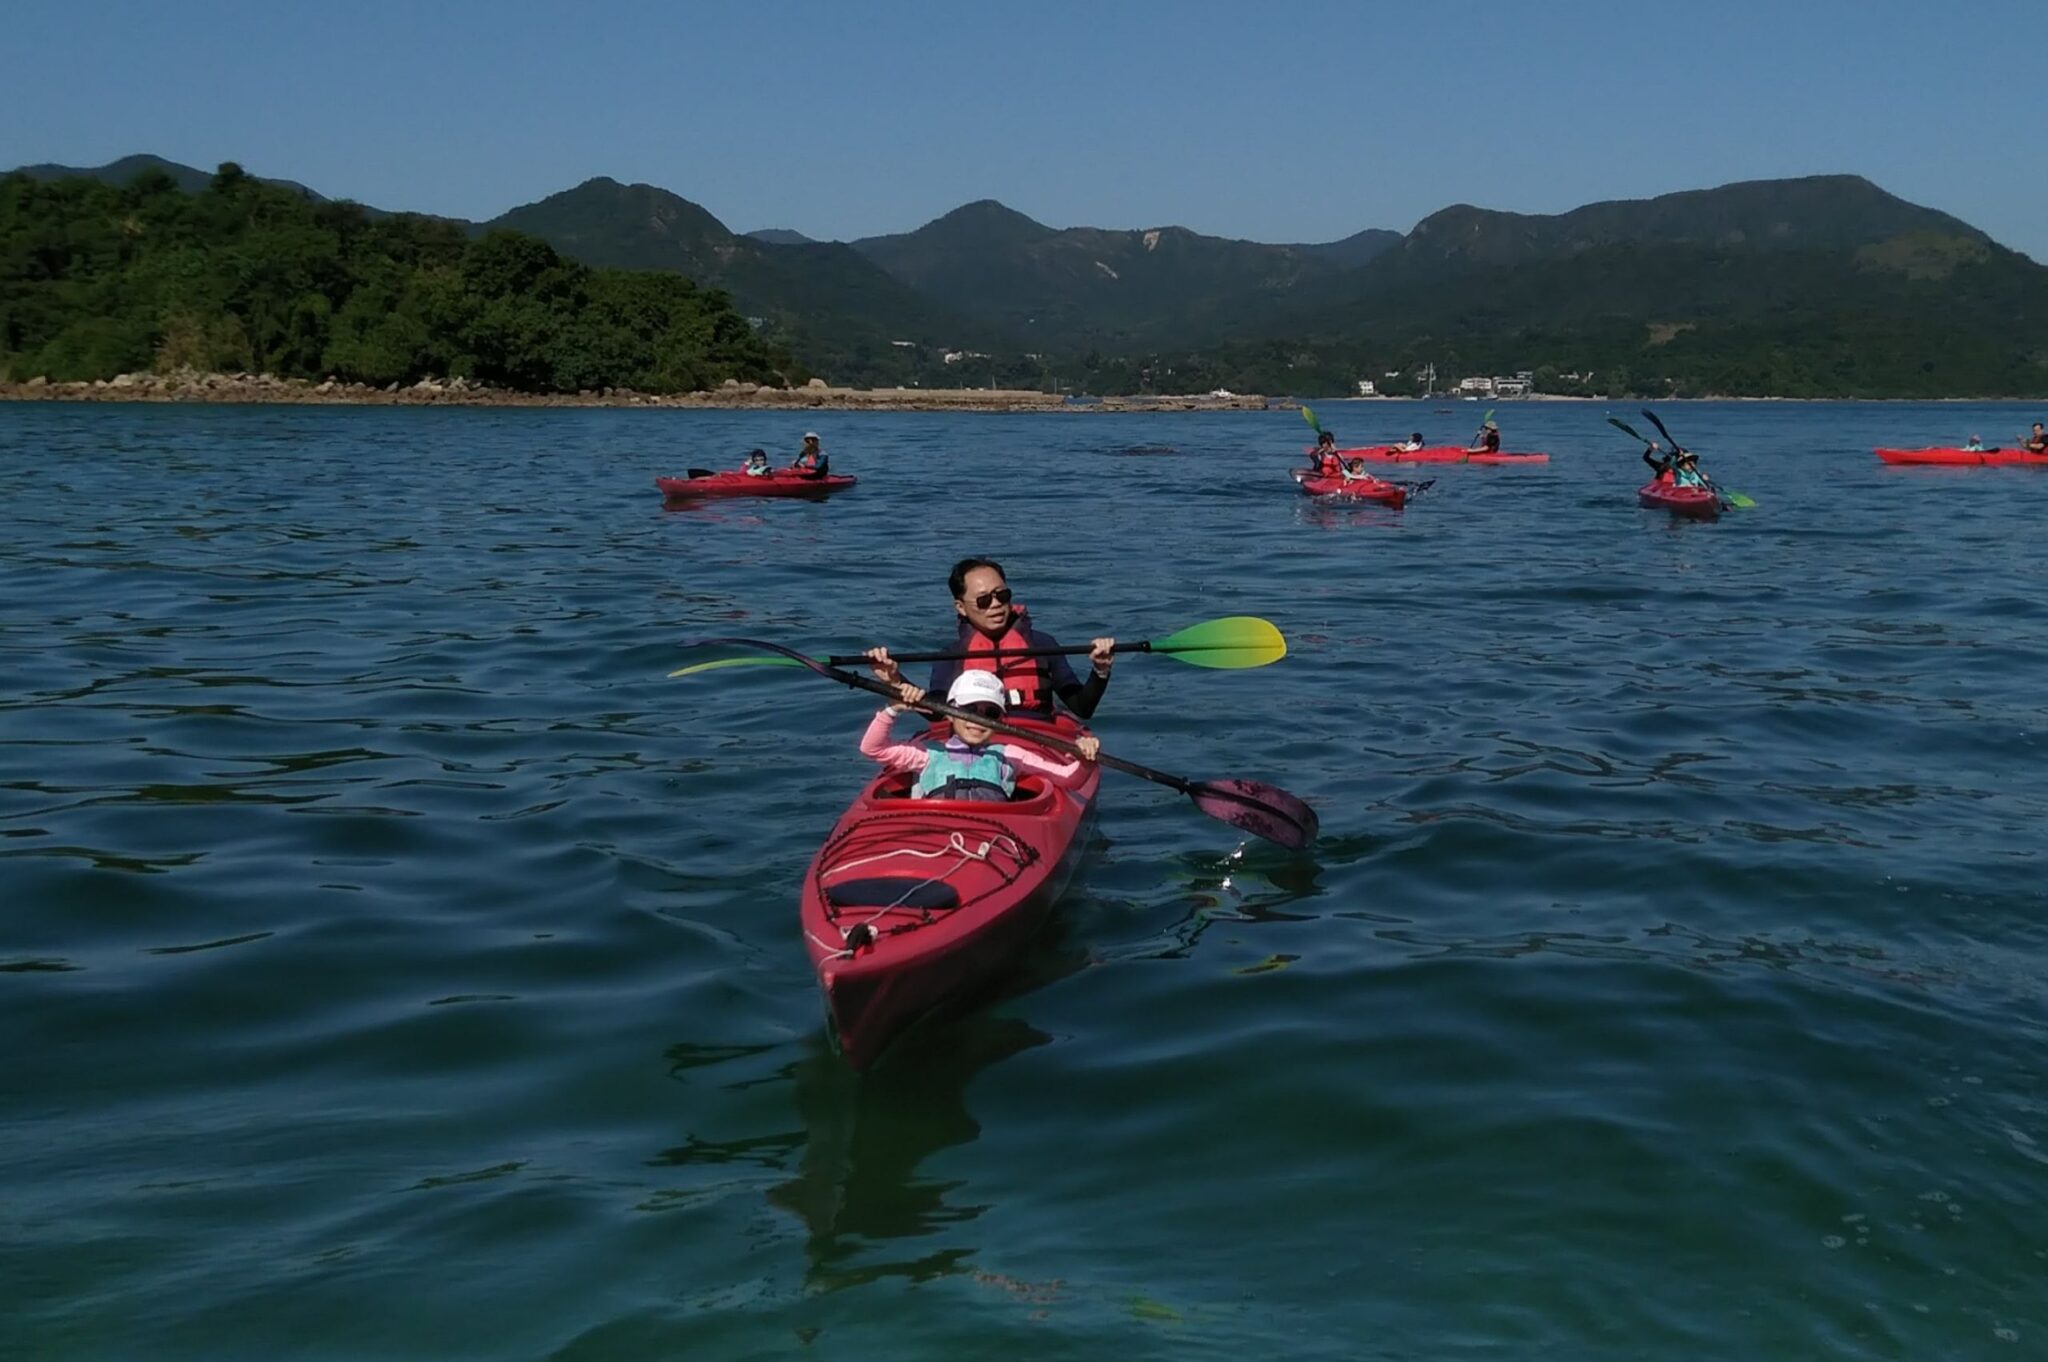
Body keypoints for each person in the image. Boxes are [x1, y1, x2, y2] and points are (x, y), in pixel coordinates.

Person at [866, 557, 1116, 720]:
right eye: (984, 600)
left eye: (1002, 595)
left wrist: (1100, 670)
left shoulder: (1042, 644)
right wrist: (896, 681)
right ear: (961, 607)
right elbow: (937, 713)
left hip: (1037, 741)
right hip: (975, 742)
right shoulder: (951, 654)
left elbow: (1083, 708)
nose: (996, 605)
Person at [861, 670, 1100, 802]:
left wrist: (1086, 760)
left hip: (992, 837)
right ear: (950, 714)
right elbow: (872, 748)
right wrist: (894, 709)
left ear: (1000, 721)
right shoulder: (928, 755)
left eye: (990, 713)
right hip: (935, 831)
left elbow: (1069, 779)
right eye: (969, 710)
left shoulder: (1009, 756)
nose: (978, 719)